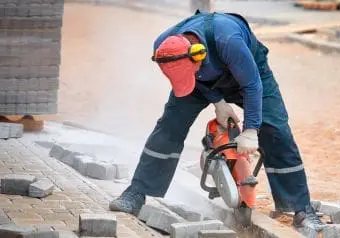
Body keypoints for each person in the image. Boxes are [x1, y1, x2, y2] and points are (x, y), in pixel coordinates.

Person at [109, 10, 325, 231]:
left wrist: (251, 130)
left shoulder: (228, 41)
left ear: (198, 55)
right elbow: (190, 80)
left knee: (276, 130)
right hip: (200, 80)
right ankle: (136, 192)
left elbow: (252, 86)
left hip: (250, 74)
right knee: (169, 126)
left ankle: (302, 209)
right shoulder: (165, 48)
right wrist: (218, 101)